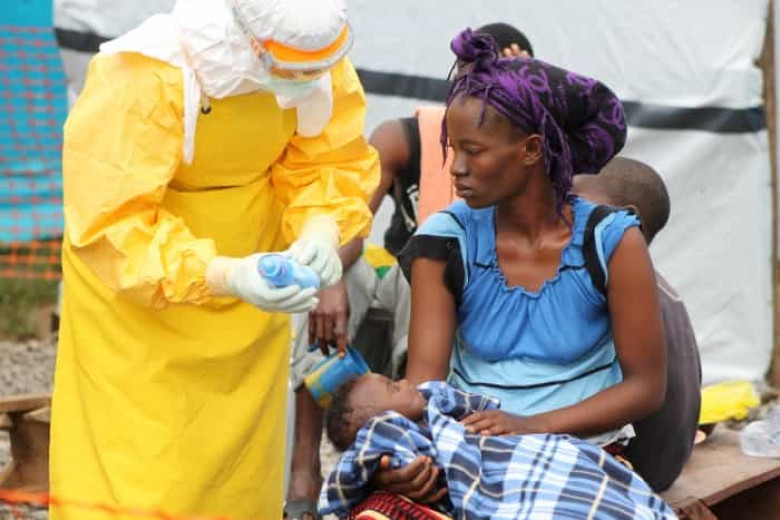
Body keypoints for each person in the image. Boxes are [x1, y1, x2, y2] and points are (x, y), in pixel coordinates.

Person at [53, 0, 379, 518]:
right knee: (138, 465)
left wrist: (321, 226)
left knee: (238, 465)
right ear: (248, 42)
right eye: (291, 71)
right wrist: (223, 273)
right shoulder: (145, 74)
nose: (307, 82)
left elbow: (329, 159)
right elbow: (114, 224)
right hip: (138, 300)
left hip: (251, 284)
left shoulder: (312, 54)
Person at [376, 28, 666, 502]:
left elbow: (647, 387)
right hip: (470, 448)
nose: (456, 168)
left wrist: (532, 425)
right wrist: (406, 457)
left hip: (583, 450)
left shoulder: (611, 241)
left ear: (531, 150)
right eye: (453, 149)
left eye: (474, 151)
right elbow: (426, 386)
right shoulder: (444, 240)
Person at [285, 23, 534, 520]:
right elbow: (350, 221)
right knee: (323, 276)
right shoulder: (404, 137)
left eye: (502, 87)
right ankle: (304, 464)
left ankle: (415, 434)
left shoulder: (527, 154)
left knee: (425, 269)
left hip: (459, 300)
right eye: (474, 82)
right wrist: (329, 278)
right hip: (393, 289)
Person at [318, 374, 676, 519]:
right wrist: (379, 470)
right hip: (503, 489)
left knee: (587, 477)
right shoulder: (389, 432)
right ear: (376, 422)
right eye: (393, 388)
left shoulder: (439, 407)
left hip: (538, 452)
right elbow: (358, 467)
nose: (406, 381)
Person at [572, 157, 702, 491]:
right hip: (667, 466)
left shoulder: (606, 287)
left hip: (630, 471)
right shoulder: (660, 287)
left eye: (575, 204)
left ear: (628, 218)